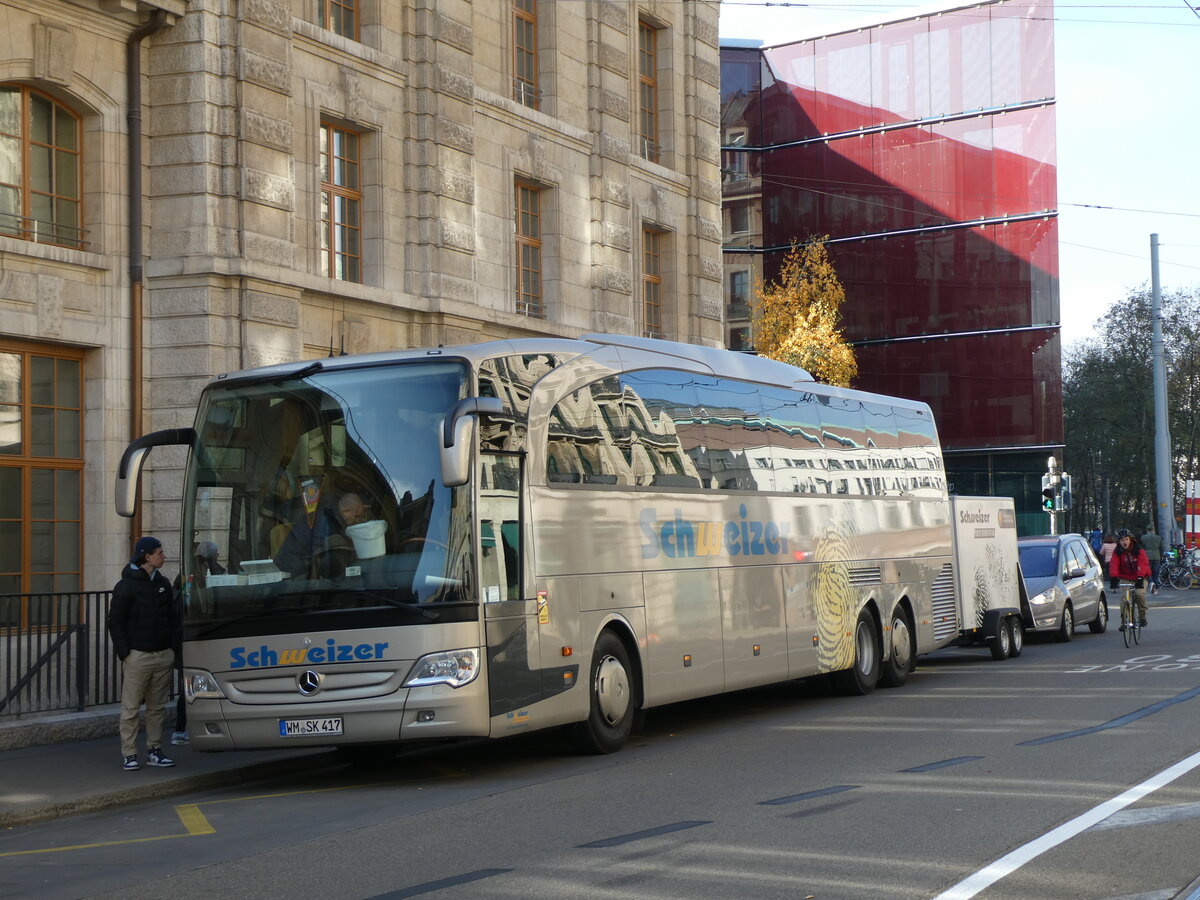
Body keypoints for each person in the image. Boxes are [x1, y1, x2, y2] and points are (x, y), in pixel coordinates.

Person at [107, 536, 181, 770]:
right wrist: (125, 653)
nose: (163, 556)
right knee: (130, 709)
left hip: (162, 654)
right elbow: (115, 621)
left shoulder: (163, 583)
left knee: (157, 708)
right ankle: (129, 753)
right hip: (138, 656)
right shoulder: (126, 586)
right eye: (159, 552)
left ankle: (154, 750)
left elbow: (173, 618)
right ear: (146, 556)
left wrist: (172, 648)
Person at [170, 541, 226, 745]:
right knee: (192, 688)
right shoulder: (208, 573)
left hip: (185, 637)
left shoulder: (185, 574)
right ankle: (184, 729)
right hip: (196, 636)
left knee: (189, 688)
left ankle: (181, 729)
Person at [273, 489, 368, 577]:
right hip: (293, 572)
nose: (358, 521)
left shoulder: (332, 515)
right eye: (357, 516)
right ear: (346, 512)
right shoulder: (324, 521)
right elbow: (318, 558)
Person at [1109, 529, 1151, 630]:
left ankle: (1142, 616)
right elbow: (1114, 564)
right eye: (1122, 540)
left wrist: (1140, 577)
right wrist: (1114, 577)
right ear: (1119, 542)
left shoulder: (1138, 549)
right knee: (1124, 598)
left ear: (1130, 539)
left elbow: (1143, 563)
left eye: (1126, 539)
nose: (1124, 542)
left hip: (1140, 576)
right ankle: (1124, 621)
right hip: (1125, 577)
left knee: (1139, 594)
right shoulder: (1117, 551)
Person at [1140, 524, 1163, 595]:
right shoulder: (1158, 537)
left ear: (1147, 530)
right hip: (1156, 556)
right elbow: (1161, 547)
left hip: (1147, 556)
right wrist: (1161, 555)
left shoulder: (1143, 537)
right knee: (1155, 573)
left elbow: (1141, 547)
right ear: (1153, 530)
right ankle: (1155, 589)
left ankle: (1151, 583)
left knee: (1148, 572)